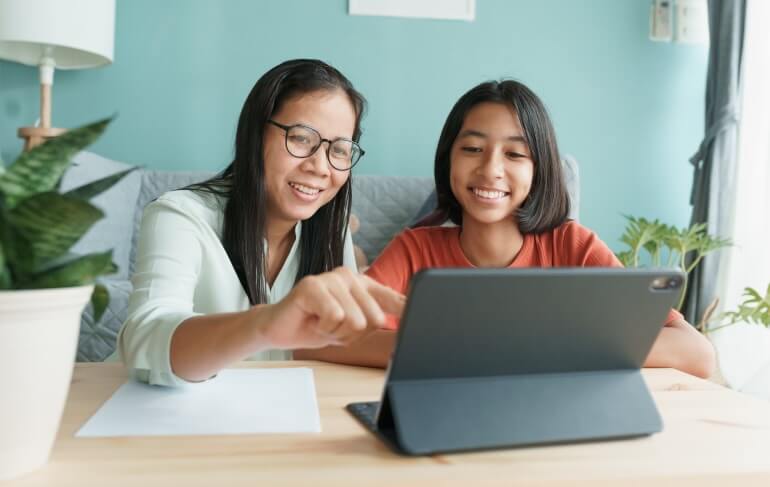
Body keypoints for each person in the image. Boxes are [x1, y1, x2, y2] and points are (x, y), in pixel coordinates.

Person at [299, 79, 716, 379]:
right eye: (473, 149)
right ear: (449, 159)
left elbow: (697, 352)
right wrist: (458, 352)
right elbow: (315, 341)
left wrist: (543, 352)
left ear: (539, 170)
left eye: (515, 153)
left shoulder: (573, 245)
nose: (491, 169)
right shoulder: (415, 249)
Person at [117, 59, 404, 386]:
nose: (320, 166)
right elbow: (144, 342)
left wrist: (442, 347)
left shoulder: (330, 229)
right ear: (254, 135)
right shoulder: (179, 215)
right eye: (300, 138)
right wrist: (265, 324)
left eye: (339, 150)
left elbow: (329, 342)